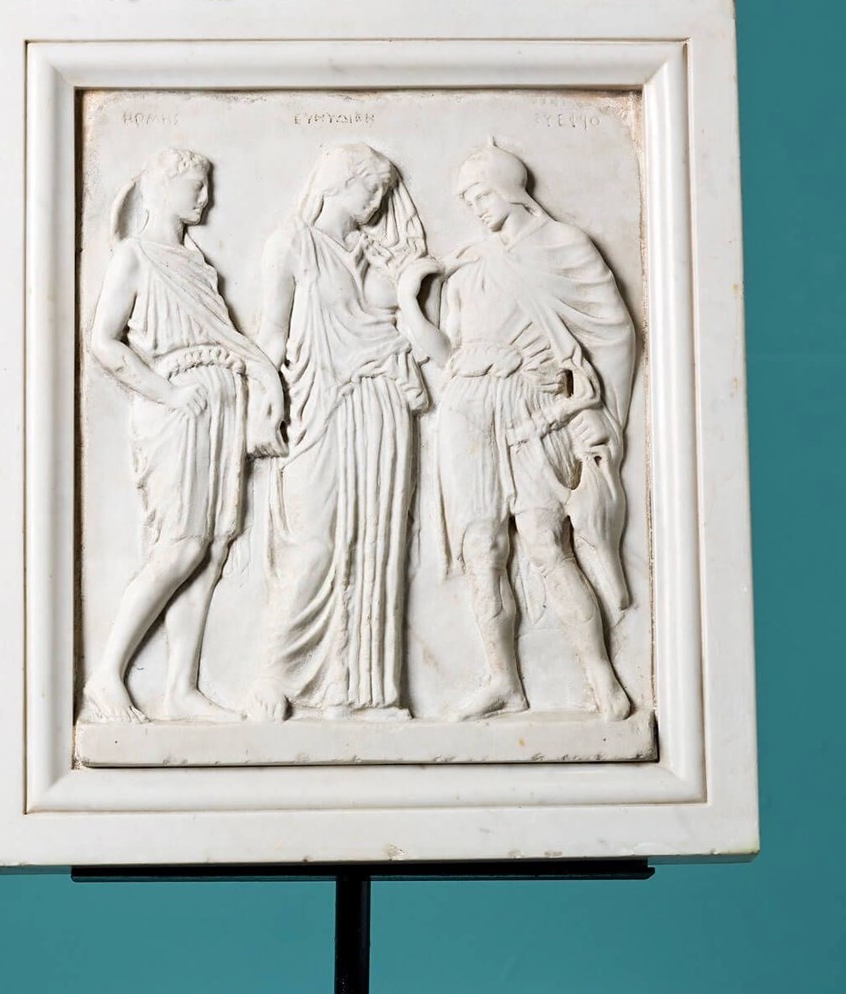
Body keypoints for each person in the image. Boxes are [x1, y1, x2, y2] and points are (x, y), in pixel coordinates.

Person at [397, 142, 636, 720]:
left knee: (547, 542)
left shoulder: (564, 246)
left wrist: (582, 400)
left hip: (531, 408)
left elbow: (613, 333)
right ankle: (504, 680)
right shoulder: (469, 264)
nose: (476, 207)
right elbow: (446, 355)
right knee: (483, 548)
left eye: (482, 194)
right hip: (467, 409)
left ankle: (602, 678)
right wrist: (409, 298)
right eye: (467, 199)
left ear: (510, 188)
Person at [81, 149, 283, 723]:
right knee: (182, 545)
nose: (205, 198)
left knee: (212, 549)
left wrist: (259, 387)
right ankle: (107, 674)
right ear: (160, 189)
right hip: (180, 406)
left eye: (207, 186)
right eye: (195, 186)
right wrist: (166, 393)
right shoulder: (135, 255)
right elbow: (104, 341)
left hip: (220, 404)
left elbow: (228, 338)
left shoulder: (197, 264)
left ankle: (180, 689)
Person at [246, 143, 438, 720]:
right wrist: (262, 405)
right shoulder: (291, 242)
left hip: (381, 408)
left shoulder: (375, 254)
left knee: (374, 546)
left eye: (384, 190)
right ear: (335, 182)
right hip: (318, 409)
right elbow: (272, 332)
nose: (377, 199)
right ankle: (273, 676)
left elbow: (406, 327)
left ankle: (358, 693)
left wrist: (406, 284)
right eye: (368, 186)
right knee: (314, 545)